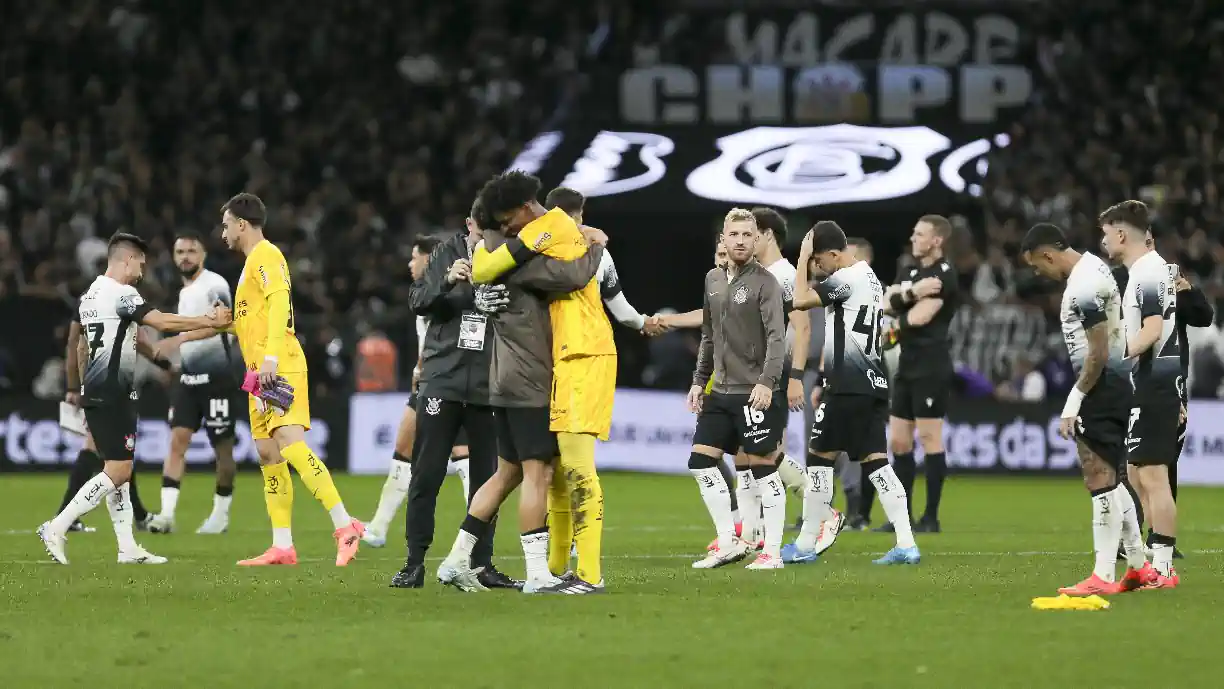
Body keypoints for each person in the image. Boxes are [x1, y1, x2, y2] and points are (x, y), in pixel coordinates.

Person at [435, 173, 607, 594]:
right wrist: (597, 244)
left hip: (502, 378)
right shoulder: (521, 265)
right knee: (539, 474)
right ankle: (537, 574)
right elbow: (572, 276)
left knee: (506, 474)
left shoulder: (490, 262)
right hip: (530, 379)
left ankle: (456, 559)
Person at [37, 233, 231, 565]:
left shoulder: (91, 296)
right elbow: (162, 321)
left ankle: (127, 548)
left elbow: (88, 347)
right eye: (141, 261)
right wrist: (207, 320)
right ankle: (58, 526)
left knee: (121, 474)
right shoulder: (124, 294)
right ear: (127, 259)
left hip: (98, 390)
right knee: (117, 470)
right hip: (114, 392)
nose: (143, 268)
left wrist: (84, 385)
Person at [219, 193, 365, 567]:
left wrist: (269, 358)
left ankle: (345, 524)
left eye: (225, 226)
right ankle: (282, 545)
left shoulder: (266, 255)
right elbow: (255, 317)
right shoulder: (250, 263)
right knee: (268, 453)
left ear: (240, 224)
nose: (222, 235)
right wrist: (221, 322)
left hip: (277, 363)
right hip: (257, 374)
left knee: (290, 445)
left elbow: (280, 301)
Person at [387, 202, 518, 590]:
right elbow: (418, 299)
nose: (486, 236)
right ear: (469, 225)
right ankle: (414, 563)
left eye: (494, 229)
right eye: (481, 229)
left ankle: (480, 564)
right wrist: (447, 279)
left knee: (486, 479)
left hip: (487, 384)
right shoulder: (448, 251)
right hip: (442, 380)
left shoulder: (509, 254)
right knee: (426, 474)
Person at [1019, 222, 1154, 594]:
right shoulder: (1094, 269)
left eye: (1036, 265)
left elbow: (1097, 350)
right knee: (1109, 473)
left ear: (1048, 254)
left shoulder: (1083, 285)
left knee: (1098, 475)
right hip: (1112, 384)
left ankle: (1103, 575)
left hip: (1102, 387)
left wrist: (1075, 398)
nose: (1038, 273)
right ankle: (1139, 566)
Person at [542, 186, 661, 582]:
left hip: (586, 357)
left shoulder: (575, 249)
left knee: (576, 467)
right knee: (556, 471)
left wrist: (645, 322)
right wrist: (643, 322)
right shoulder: (588, 249)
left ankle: (590, 574)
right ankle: (554, 570)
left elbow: (620, 308)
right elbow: (621, 308)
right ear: (580, 212)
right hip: (557, 363)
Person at [784, 221, 920, 565]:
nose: (818, 269)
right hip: (872, 383)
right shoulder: (870, 278)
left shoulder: (846, 279)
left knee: (819, 458)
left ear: (833, 254)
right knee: (877, 463)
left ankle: (804, 545)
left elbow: (799, 300)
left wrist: (800, 258)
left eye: (819, 261)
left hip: (848, 385)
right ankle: (906, 543)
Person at [687, 208, 789, 570]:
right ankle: (729, 541)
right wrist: (700, 381)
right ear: (724, 240)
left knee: (763, 468)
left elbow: (778, 338)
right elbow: (709, 336)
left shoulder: (766, 283)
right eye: (735, 235)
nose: (742, 241)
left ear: (757, 239)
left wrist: (767, 382)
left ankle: (772, 551)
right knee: (701, 462)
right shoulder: (713, 279)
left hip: (755, 391)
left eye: (748, 235)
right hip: (722, 390)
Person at [364, 234, 472, 549]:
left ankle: (476, 527)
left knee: (461, 452)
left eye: (415, 257)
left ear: (429, 257)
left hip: (450, 380)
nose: (410, 264)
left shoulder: (449, 287)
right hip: (428, 379)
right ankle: (379, 527)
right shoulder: (424, 291)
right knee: (404, 446)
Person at [1098, 200, 1180, 588]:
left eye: (1105, 233)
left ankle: (1163, 565)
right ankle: (1151, 560)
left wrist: (1113, 357)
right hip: (1152, 381)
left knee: (1152, 474)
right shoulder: (1150, 268)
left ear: (1120, 234)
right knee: (1136, 471)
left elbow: (1151, 330)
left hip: (1154, 381)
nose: (1103, 241)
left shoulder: (1147, 271)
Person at [146, 231, 243, 535]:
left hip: (217, 378)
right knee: (177, 441)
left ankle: (221, 515)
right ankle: (166, 515)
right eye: (179, 252)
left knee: (222, 448)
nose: (185, 256)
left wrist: (179, 339)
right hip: (187, 378)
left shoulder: (214, 284)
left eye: (191, 250)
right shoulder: (186, 291)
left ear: (203, 254)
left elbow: (226, 321)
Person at [876, 215, 958, 534]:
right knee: (898, 441)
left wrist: (898, 315)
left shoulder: (944, 274)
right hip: (907, 364)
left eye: (920, 233)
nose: (913, 237)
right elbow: (887, 302)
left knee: (928, 437)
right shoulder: (910, 270)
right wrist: (912, 292)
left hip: (931, 365)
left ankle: (931, 517)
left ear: (936, 240)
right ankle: (903, 516)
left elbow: (922, 317)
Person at [57, 316, 154, 533]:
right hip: (109, 387)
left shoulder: (87, 302)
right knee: (111, 451)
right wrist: (160, 356)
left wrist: (76, 387)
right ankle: (64, 518)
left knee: (119, 453)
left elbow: (76, 344)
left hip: (99, 385)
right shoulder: (118, 300)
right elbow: (78, 344)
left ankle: (138, 515)